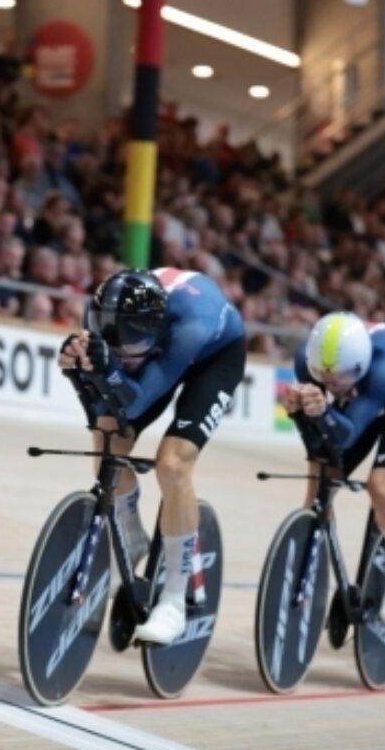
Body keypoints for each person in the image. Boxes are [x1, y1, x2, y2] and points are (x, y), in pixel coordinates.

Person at [59, 267, 246, 646]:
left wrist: (107, 369)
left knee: (173, 463)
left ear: (154, 331)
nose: (119, 352)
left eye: (128, 343)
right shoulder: (101, 318)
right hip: (161, 348)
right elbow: (104, 414)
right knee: (109, 439)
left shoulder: (187, 326)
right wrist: (80, 374)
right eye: (112, 343)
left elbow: (139, 398)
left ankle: (175, 601)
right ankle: (131, 534)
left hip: (214, 356)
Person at [284, 312, 385, 624]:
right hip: (357, 405)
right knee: (318, 492)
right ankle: (312, 572)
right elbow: (319, 445)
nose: (330, 386)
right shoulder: (307, 359)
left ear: (358, 368)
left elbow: (349, 432)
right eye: (324, 380)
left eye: (337, 381)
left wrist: (323, 409)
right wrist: (300, 414)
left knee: (382, 488)